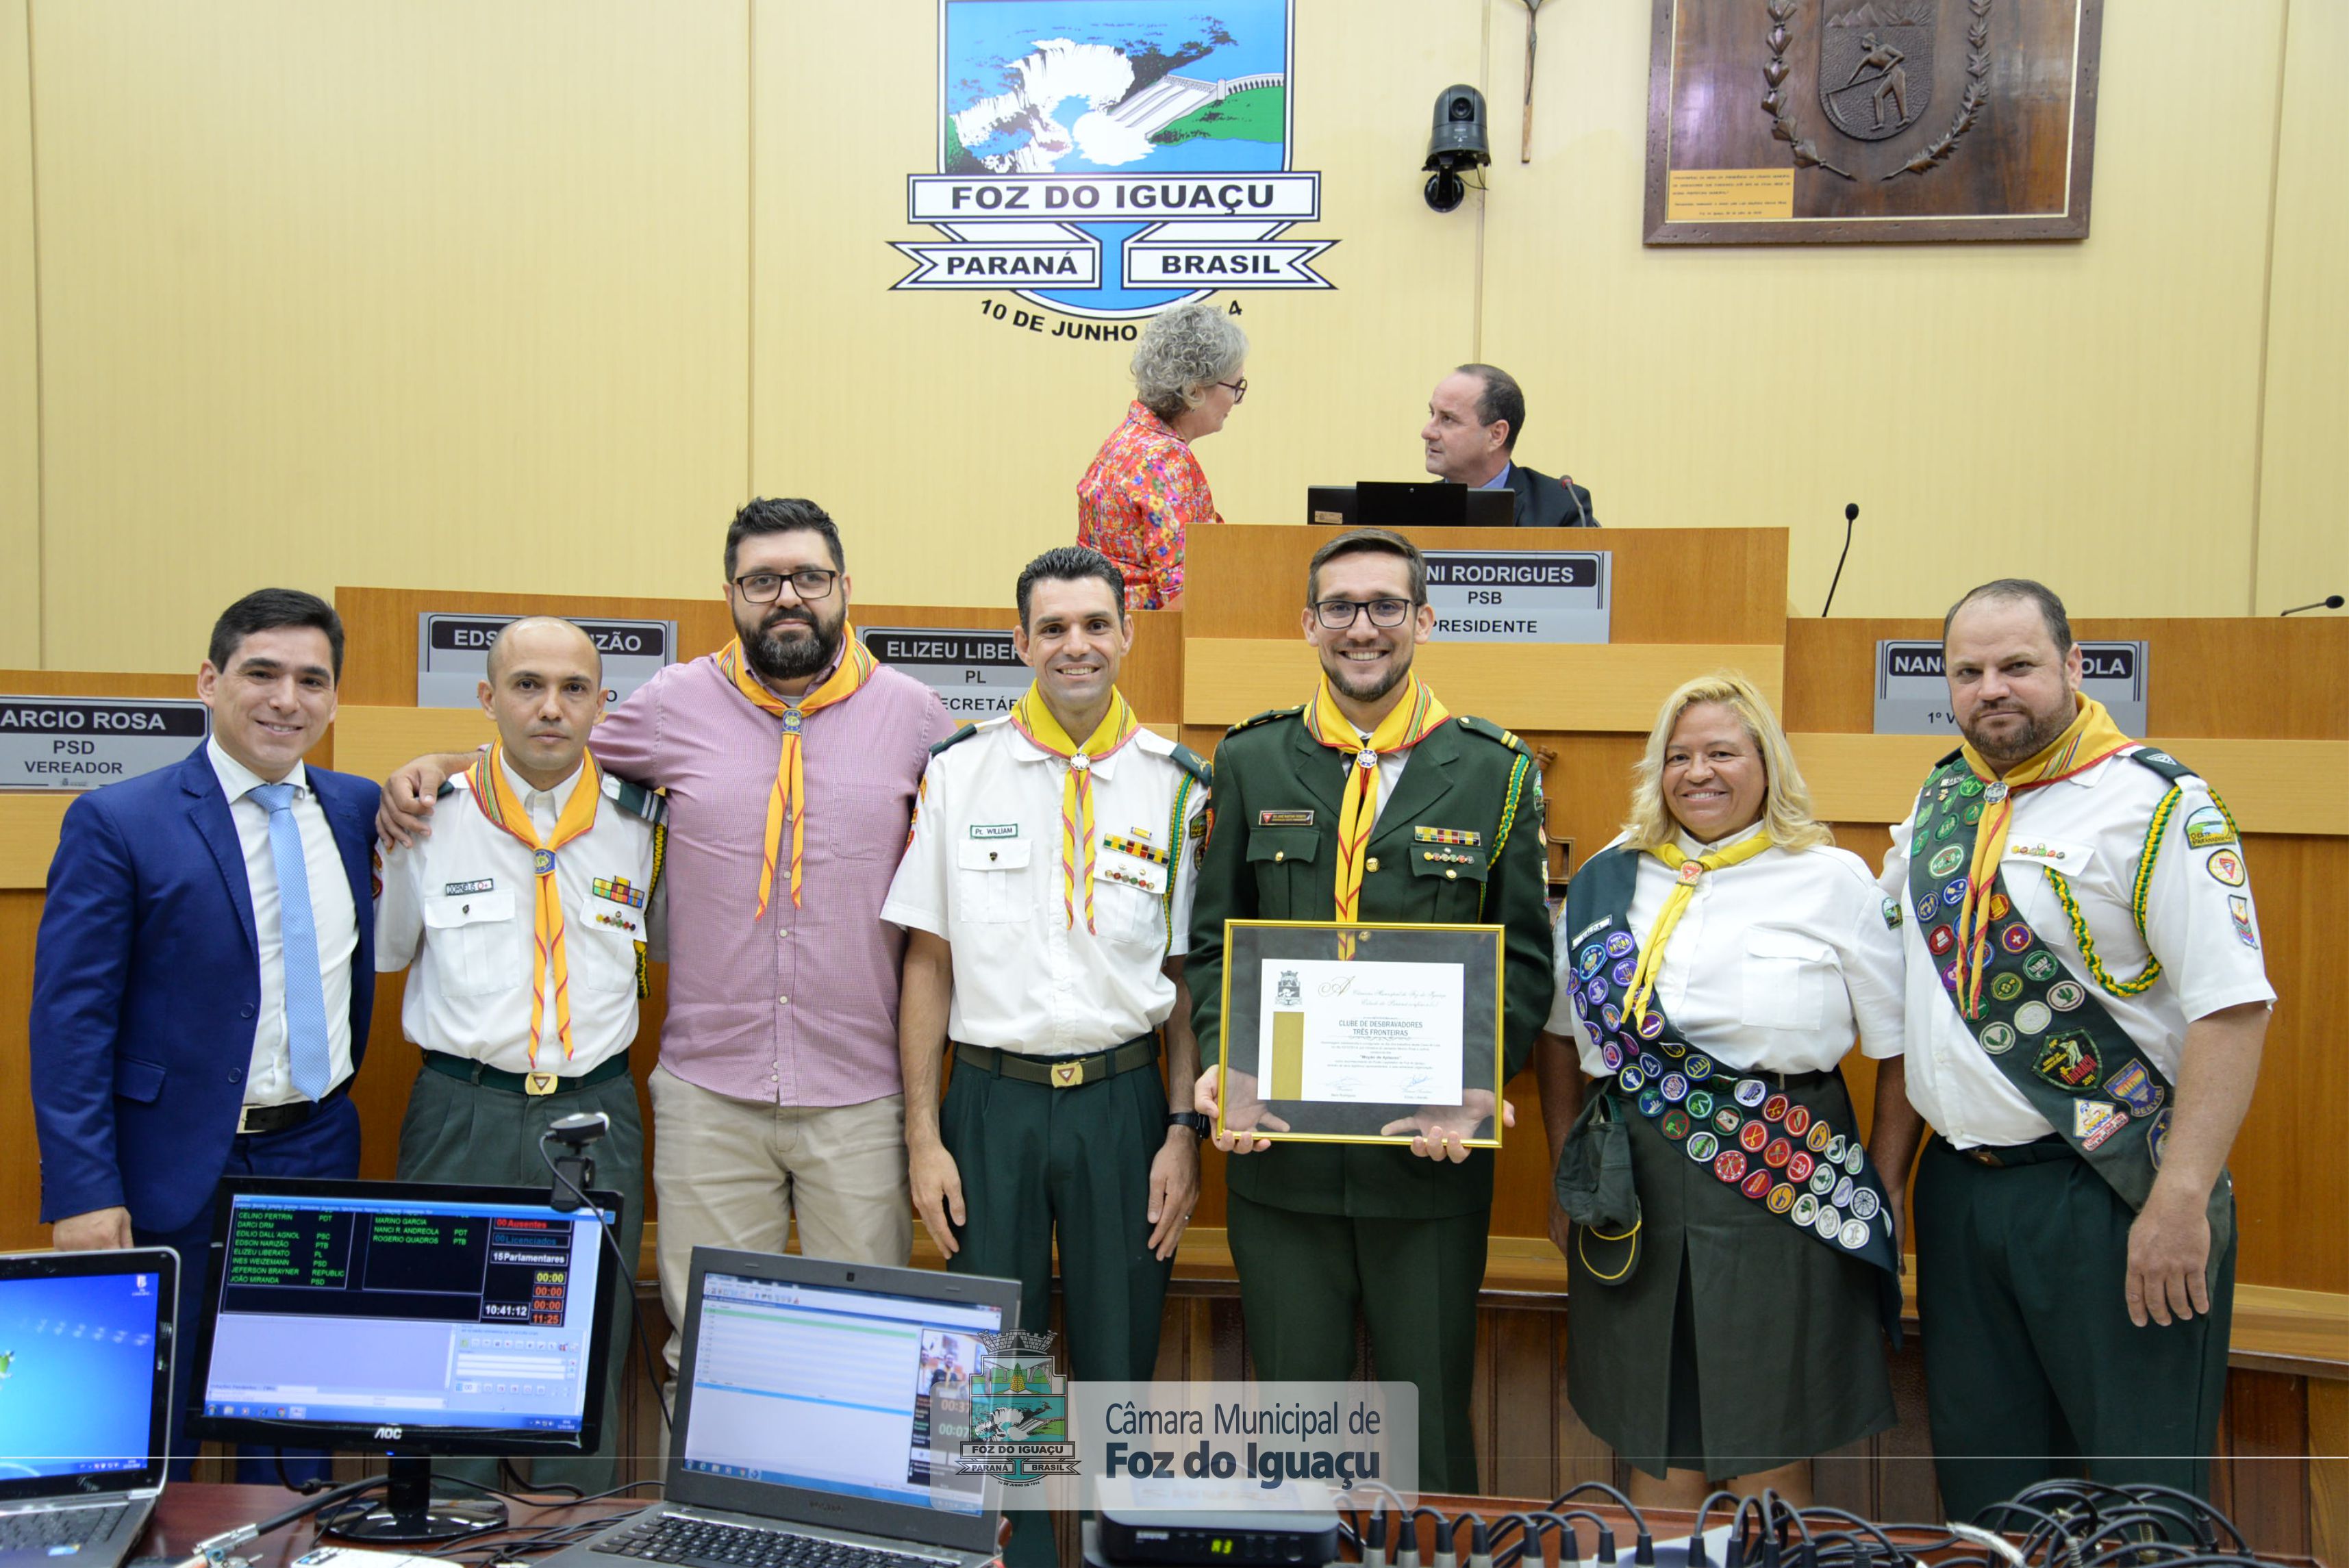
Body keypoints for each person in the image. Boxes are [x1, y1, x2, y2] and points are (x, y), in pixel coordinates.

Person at [377, 498, 953, 1381]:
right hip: (708, 1097)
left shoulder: (915, 717)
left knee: (868, 1347)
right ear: (730, 593)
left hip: (860, 1096)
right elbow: (547, 751)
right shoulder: (673, 702)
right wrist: (442, 766)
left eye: (808, 576)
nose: (787, 596)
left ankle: (847, 1527)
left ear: (845, 588)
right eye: (763, 580)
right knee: (711, 1355)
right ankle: (707, 1528)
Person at [1870, 579, 2272, 1517]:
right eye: (1966, 671)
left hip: (2107, 1189)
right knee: (1991, 1499)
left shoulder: (2156, 803)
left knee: (2141, 1499)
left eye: (2016, 665)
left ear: (2073, 666)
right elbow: (1907, 998)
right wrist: (1890, 1174)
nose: (1989, 689)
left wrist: (2176, 1196)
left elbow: (2231, 1009)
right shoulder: (1943, 795)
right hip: (1960, 1196)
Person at [1186, 527, 1555, 1493]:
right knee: (1294, 1434)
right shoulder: (1251, 760)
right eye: (1341, 607)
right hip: (1281, 1160)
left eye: (1385, 605)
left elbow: (1518, 955)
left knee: (1426, 1427)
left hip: (1423, 1166)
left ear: (1423, 621)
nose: (1363, 627)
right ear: (1308, 625)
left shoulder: (1495, 770)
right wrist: (1229, 1061)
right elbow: (1218, 934)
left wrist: (1475, 1081)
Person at [883, 545, 1209, 1567]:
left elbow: (1185, 979)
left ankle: (1123, 1549)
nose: (1076, 644)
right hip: (992, 1103)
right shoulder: (957, 769)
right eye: (1054, 627)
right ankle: (1006, 1558)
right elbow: (927, 963)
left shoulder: (1177, 785)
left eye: (1095, 624)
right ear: (1021, 642)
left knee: (1119, 1365)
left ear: (1125, 633)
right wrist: (924, 1135)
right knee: (991, 1367)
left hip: (1122, 1107)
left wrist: (1181, 1130)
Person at [1532, 672, 1907, 1508]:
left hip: (1785, 1170)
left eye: (1722, 753)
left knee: (1773, 1426)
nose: (1698, 772)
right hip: (1632, 1178)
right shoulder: (1608, 877)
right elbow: (1559, 1038)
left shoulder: (1832, 878)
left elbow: (1899, 1048)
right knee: (1654, 1430)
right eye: (1678, 756)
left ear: (1766, 764)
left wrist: (1884, 1183)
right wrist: (1565, 1166)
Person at [31, 588, 379, 1479]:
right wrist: (81, 1190)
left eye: (311, 679)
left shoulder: (353, 808)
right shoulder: (120, 820)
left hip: (315, 1150)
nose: (285, 699)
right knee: (155, 1434)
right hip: (167, 1166)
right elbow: (70, 1023)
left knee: (295, 1424)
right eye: (261, 672)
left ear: (335, 699)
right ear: (209, 679)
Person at [373, 618, 663, 1490]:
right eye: (528, 685)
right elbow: (388, 954)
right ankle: (445, 1525)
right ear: (486, 698)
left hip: (595, 1112)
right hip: (463, 1108)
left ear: (602, 705)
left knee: (585, 1346)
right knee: (443, 1339)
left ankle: (571, 1527)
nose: (551, 707)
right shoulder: (429, 816)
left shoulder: (642, 823)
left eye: (575, 689)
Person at [1076, 302, 1248, 609]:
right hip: (1149, 646)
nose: (1236, 400)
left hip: (1112, 634)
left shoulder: (1124, 440)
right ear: (1195, 391)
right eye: (1236, 386)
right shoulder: (1166, 461)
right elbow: (1185, 595)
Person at [1420, 364, 1596, 527]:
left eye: (1448, 419)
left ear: (1496, 435)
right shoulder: (1417, 507)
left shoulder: (1562, 508)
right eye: (1432, 414)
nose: (1427, 432)